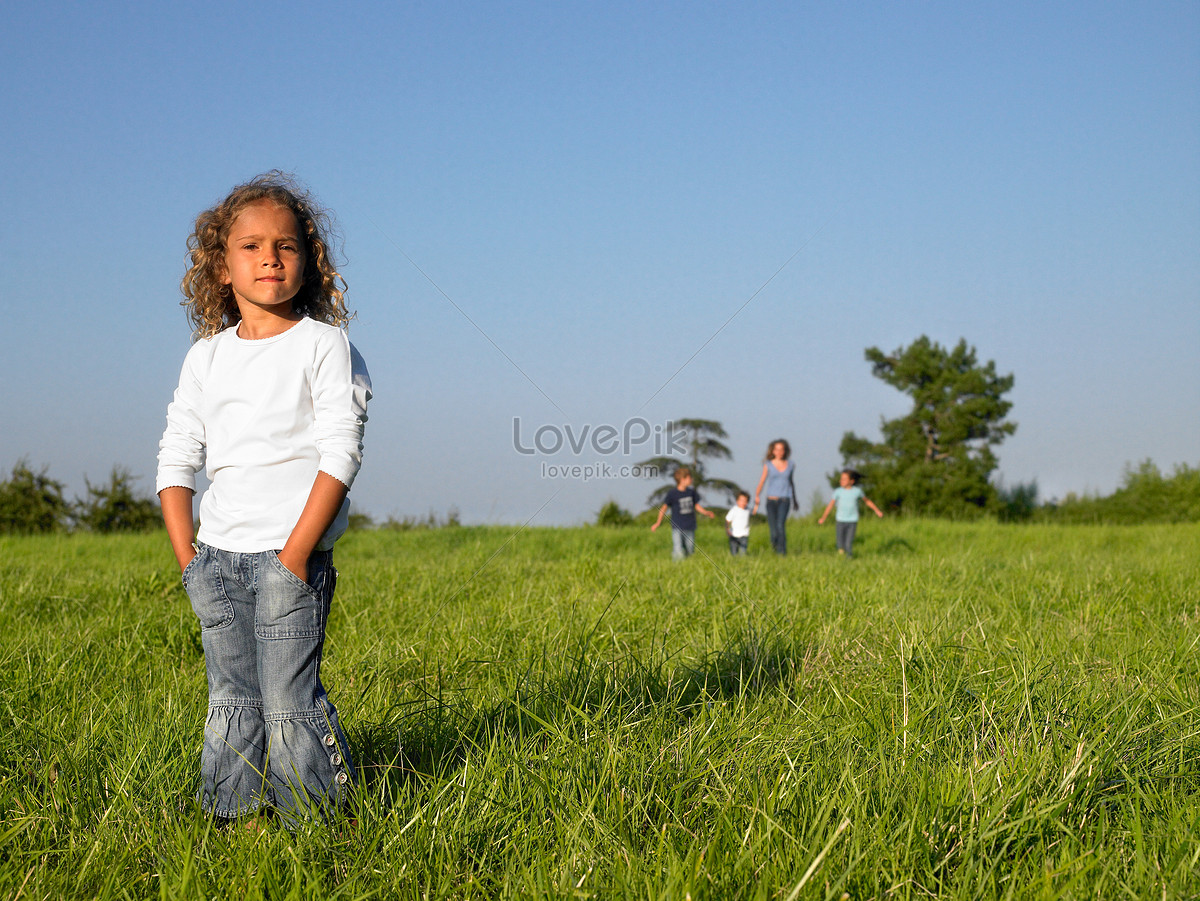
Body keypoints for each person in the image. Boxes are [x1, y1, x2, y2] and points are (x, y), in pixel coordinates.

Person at [156, 172, 371, 825]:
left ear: (308, 261)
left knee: (288, 700)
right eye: (251, 246)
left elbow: (341, 453)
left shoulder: (323, 345)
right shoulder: (206, 358)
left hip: (289, 556)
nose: (270, 257)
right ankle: (232, 821)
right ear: (222, 267)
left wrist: (297, 554)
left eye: (286, 245)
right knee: (231, 696)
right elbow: (176, 454)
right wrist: (187, 556)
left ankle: (319, 826)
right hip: (216, 558)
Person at [651, 467, 715, 559]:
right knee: (678, 548)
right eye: (689, 478)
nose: (691, 479)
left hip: (690, 525)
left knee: (690, 549)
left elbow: (696, 506)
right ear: (682, 479)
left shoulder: (691, 492)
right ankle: (677, 567)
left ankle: (688, 565)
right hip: (677, 526)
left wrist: (705, 512)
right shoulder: (672, 493)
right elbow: (663, 508)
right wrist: (658, 522)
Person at [817, 469, 883, 557]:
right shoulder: (838, 492)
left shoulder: (857, 491)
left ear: (851, 481)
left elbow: (867, 501)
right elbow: (830, 505)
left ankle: (849, 558)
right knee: (840, 544)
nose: (841, 481)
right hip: (840, 521)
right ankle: (841, 558)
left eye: (844, 479)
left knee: (848, 543)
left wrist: (877, 510)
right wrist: (823, 517)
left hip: (852, 521)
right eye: (841, 479)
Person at [752, 439, 797, 555]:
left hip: (785, 499)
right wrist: (757, 495)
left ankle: (782, 553)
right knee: (773, 531)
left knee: (780, 525)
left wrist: (795, 499)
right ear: (772, 451)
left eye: (782, 449)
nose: (779, 452)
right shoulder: (768, 464)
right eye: (777, 449)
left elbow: (791, 482)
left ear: (785, 451)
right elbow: (762, 481)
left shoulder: (791, 465)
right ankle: (774, 549)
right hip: (771, 501)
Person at [725, 491, 751, 556]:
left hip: (744, 534)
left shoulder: (747, 510)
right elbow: (728, 519)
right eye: (741, 500)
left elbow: (754, 512)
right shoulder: (734, 510)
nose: (743, 502)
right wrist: (727, 529)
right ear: (737, 501)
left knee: (743, 551)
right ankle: (734, 562)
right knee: (734, 551)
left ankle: (742, 561)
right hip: (733, 534)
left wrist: (756, 504)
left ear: (747, 502)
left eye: (745, 501)